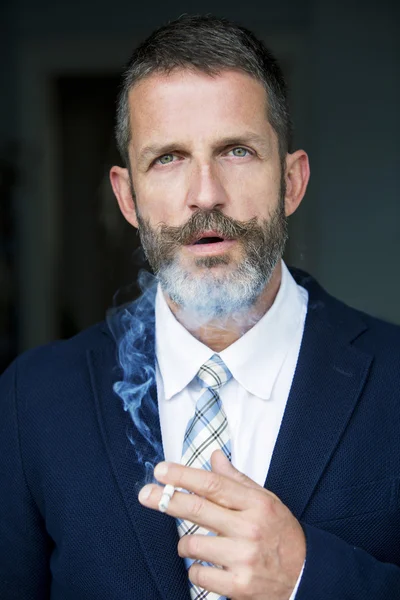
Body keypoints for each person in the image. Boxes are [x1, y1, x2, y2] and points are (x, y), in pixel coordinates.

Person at [1, 14, 399, 600]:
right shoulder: (30, 401)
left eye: (236, 151)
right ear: (126, 196)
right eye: (168, 158)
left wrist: (306, 577)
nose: (206, 193)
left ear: (291, 181)